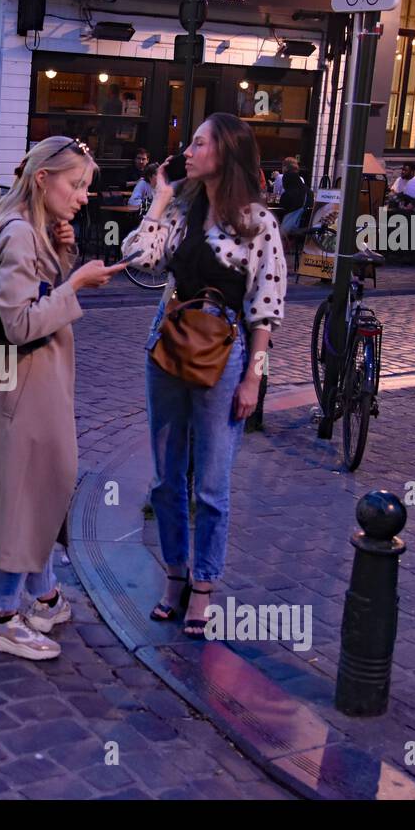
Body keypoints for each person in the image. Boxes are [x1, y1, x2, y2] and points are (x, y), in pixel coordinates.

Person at [0, 136, 127, 660]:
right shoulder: (21, 234)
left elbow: (31, 295)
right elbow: (20, 320)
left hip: (26, 378)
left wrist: (64, 250)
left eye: (86, 188)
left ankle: (40, 593)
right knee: (25, 489)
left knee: (41, 483)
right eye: (76, 185)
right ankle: (3, 614)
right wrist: (76, 284)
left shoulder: (27, 228)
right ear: (44, 178)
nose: (83, 196)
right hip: (23, 380)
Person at [120, 113, 288, 638]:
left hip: (226, 353)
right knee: (168, 480)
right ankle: (175, 578)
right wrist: (162, 199)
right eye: (189, 143)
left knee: (212, 484)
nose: (187, 151)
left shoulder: (258, 222)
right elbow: (139, 262)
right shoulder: (185, 210)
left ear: (226, 153)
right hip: (168, 350)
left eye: (198, 144)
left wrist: (254, 380)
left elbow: (266, 309)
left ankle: (205, 586)